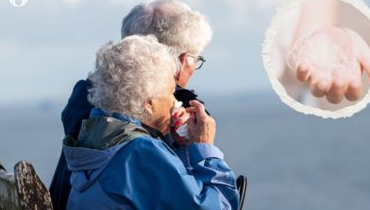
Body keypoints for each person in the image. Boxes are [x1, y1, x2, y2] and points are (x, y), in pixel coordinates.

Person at [50, 0, 215, 209]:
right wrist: (200, 147)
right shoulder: (178, 108)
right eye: (195, 58)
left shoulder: (88, 96)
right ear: (181, 60)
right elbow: (196, 199)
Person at [63, 35, 239, 209]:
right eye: (171, 92)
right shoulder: (140, 152)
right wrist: (204, 148)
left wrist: (180, 145)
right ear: (148, 103)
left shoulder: (93, 138)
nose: (175, 102)